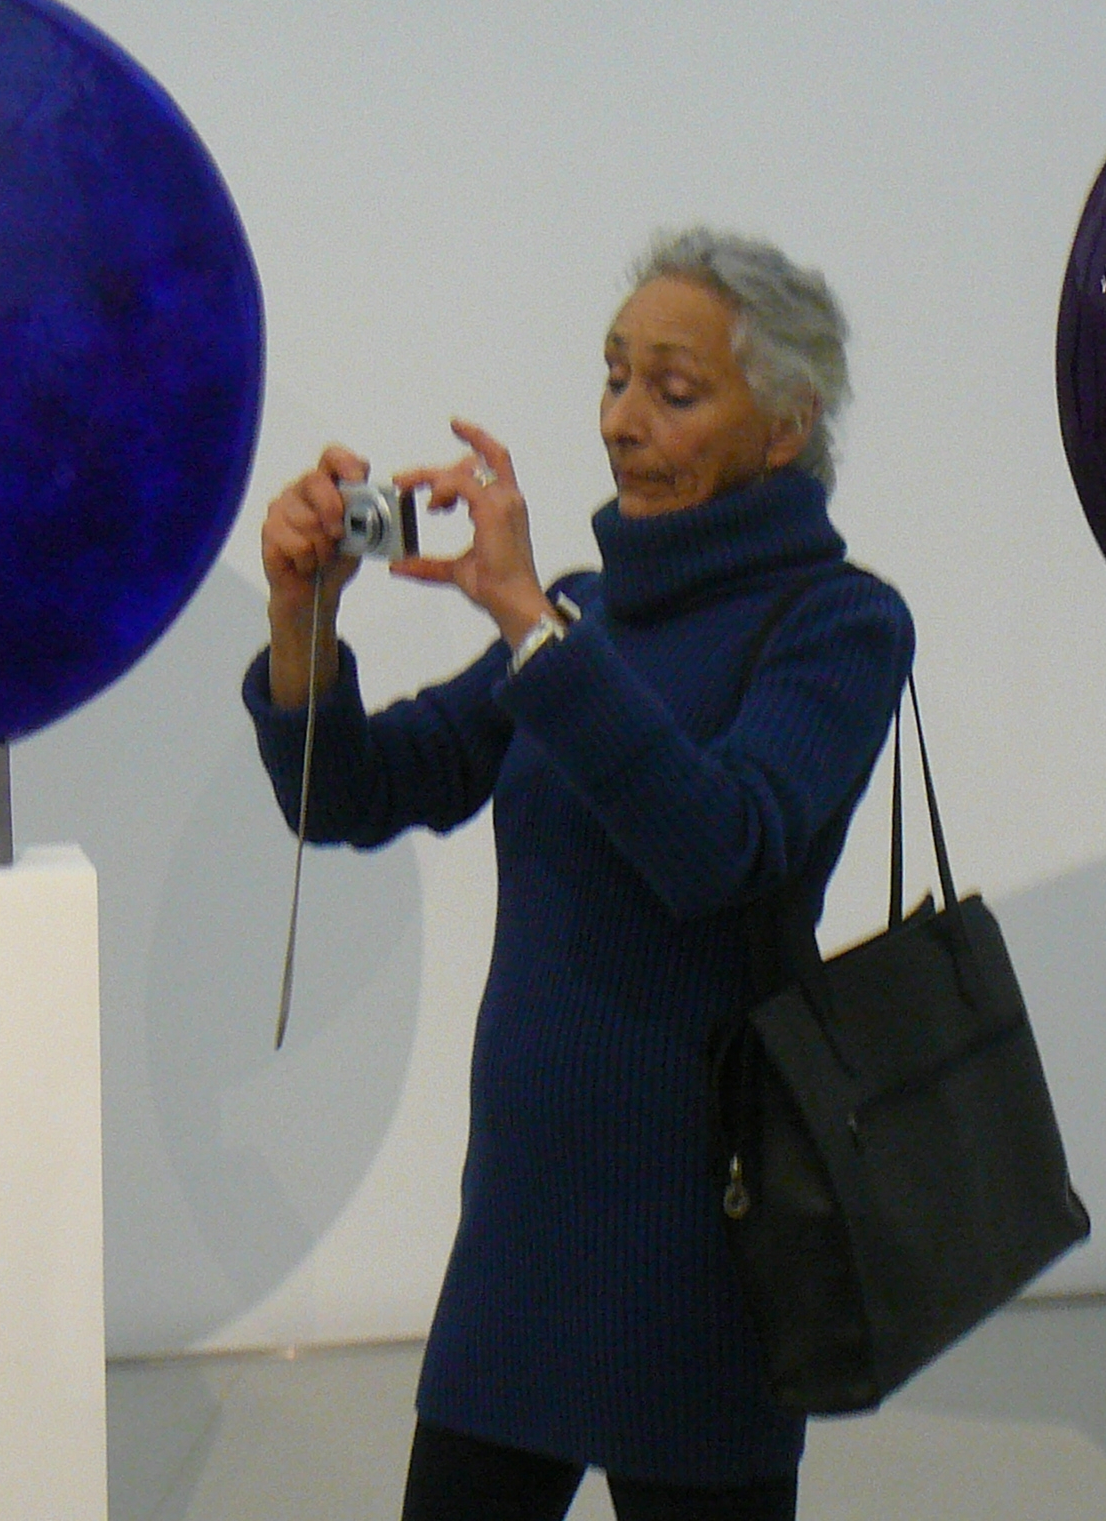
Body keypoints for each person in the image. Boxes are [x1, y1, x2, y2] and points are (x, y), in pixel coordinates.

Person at [245, 228, 912, 1521]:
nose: (621, 422)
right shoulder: (585, 614)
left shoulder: (837, 623)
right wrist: (300, 617)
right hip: (523, 1233)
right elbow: (350, 794)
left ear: (786, 425)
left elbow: (721, 848)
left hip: (709, 1244)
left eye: (674, 390)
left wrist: (527, 624)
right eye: (614, 378)